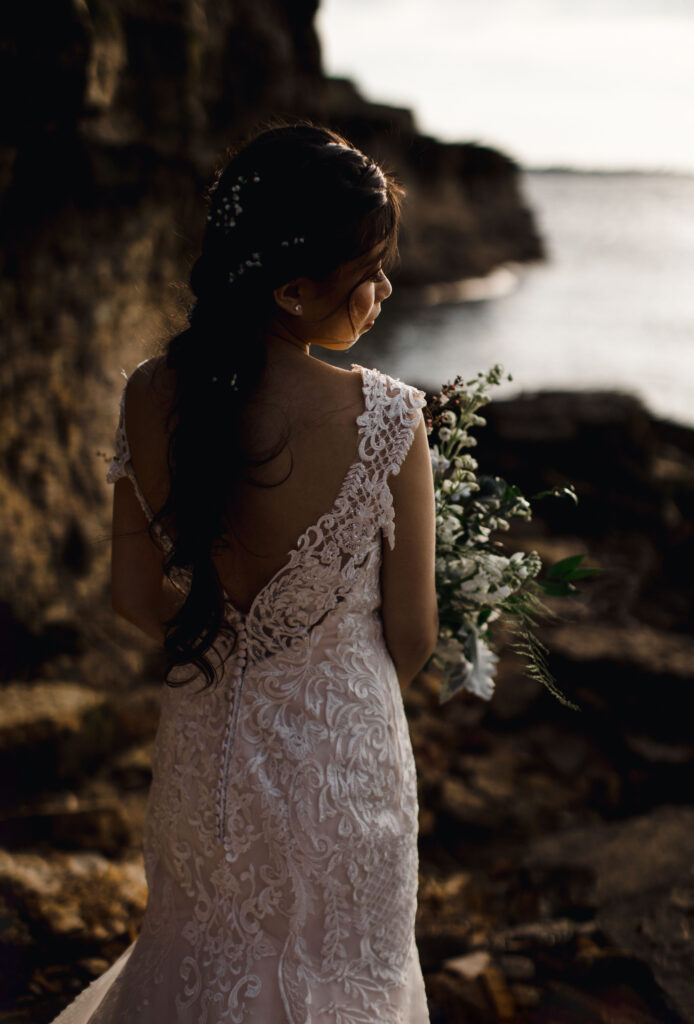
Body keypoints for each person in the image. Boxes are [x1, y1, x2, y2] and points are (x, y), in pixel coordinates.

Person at [53, 123, 438, 1024]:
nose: (384, 291)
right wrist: (330, 691)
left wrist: (228, 646)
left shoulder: (150, 393)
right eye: (368, 272)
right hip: (347, 776)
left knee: (199, 965)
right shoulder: (389, 419)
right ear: (293, 289)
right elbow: (411, 638)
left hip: (206, 756)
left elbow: (131, 596)